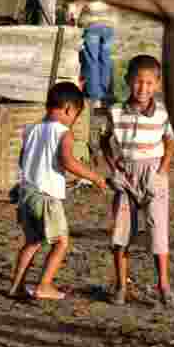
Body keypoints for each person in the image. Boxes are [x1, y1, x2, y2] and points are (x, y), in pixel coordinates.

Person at [9, 81, 108, 300]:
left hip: (27, 194)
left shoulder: (30, 130)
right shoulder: (63, 132)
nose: (73, 121)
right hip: (46, 198)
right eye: (75, 116)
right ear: (68, 110)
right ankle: (44, 284)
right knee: (61, 242)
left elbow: (22, 159)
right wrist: (95, 177)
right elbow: (68, 161)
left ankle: (16, 286)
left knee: (32, 241)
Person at [99, 55, 174, 307]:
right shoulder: (116, 112)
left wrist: (162, 171)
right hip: (126, 175)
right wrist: (114, 170)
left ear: (157, 85)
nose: (142, 88)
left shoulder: (163, 113)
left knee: (158, 231)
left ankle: (164, 286)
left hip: (153, 174)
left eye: (148, 83)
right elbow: (104, 140)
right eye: (137, 82)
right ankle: (121, 286)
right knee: (121, 234)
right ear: (127, 82)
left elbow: (170, 141)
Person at [77, 0, 118, 109]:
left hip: (92, 23)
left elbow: (80, 10)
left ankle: (95, 95)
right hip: (109, 25)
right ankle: (104, 94)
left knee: (91, 60)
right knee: (106, 59)